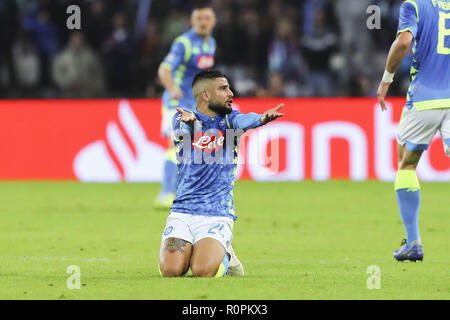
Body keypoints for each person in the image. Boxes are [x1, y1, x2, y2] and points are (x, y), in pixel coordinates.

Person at [159, 70, 284, 277]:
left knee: (202, 271)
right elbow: (187, 130)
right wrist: (191, 124)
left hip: (216, 215)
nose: (231, 93)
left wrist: (261, 119)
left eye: (229, 88)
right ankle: (197, 251)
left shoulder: (229, 121)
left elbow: (245, 120)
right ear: (206, 94)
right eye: (223, 89)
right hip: (182, 212)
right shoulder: (181, 118)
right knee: (171, 271)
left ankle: (225, 254)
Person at [377, 0, 450, 262]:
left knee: (407, 165)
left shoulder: (414, 5)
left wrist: (386, 80)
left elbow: (404, 42)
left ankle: (413, 242)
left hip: (426, 98)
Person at [155, 1, 217, 209]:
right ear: (192, 21)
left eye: (207, 18)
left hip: (196, 104)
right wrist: (172, 88)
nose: (203, 22)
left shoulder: (211, 43)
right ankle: (165, 193)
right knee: (177, 144)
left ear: (213, 21)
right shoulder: (184, 43)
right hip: (177, 103)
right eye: (199, 18)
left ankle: (187, 194)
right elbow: (164, 70)